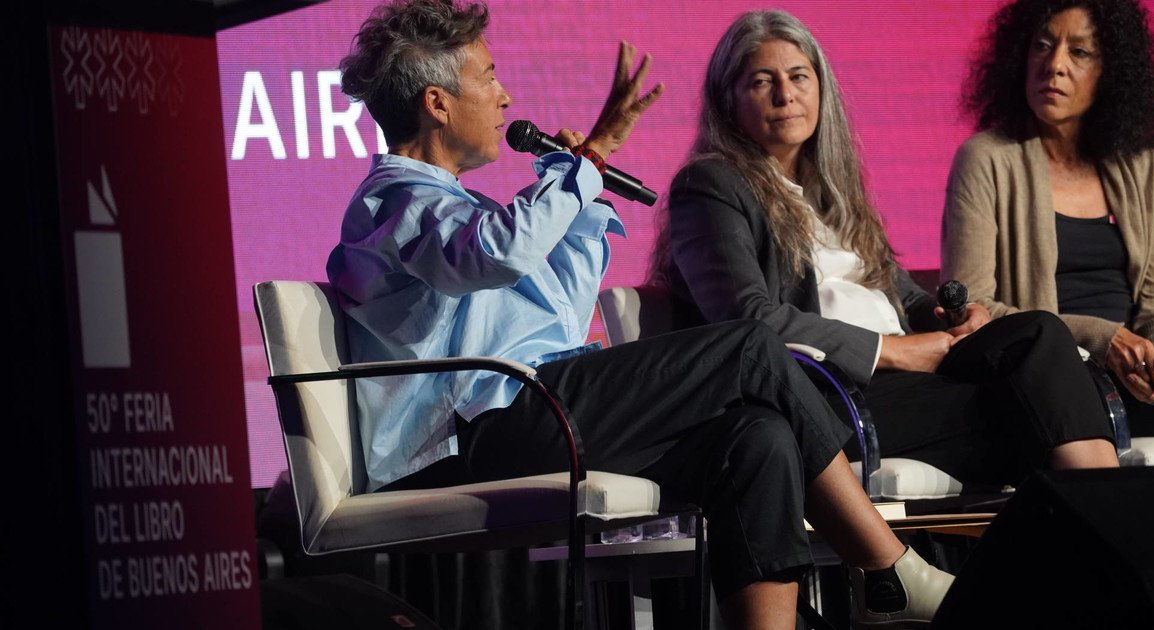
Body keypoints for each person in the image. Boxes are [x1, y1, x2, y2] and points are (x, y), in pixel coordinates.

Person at [326, 1, 952, 627]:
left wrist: (579, 192)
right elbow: (498, 253)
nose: (505, 96)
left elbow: (564, 313)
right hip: (468, 438)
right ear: (437, 103)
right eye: (488, 77)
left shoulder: (462, 208)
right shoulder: (395, 202)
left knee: (757, 440)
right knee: (749, 347)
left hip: (529, 411)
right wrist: (585, 163)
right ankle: (886, 567)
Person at [651, 9, 1119, 500]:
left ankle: (1103, 519)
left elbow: (900, 291)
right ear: (728, 100)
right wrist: (891, 351)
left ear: (820, 88)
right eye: (761, 82)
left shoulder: (831, 191)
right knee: (1024, 401)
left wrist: (949, 316)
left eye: (798, 77)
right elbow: (749, 320)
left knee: (1034, 334)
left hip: (909, 379)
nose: (785, 95)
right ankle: (1111, 524)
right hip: (828, 397)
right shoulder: (710, 186)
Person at [943, 0, 1154, 433]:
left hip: (1135, 368)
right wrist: (1103, 339)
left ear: (1111, 71)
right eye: (1042, 46)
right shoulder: (985, 159)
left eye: (1078, 52)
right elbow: (976, 309)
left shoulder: (1144, 163)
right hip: (1046, 371)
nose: (1054, 64)